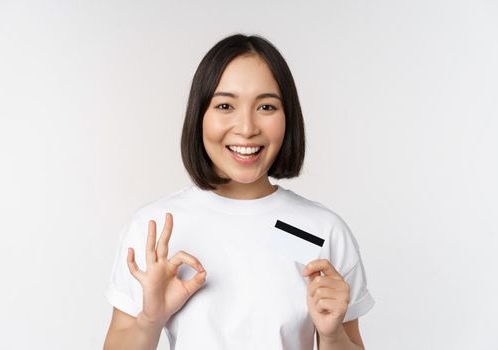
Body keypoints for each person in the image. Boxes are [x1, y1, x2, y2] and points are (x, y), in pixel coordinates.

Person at [103, 33, 375, 350]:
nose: (246, 128)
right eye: (225, 105)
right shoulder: (159, 229)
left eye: (266, 106)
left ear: (288, 118)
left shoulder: (319, 232)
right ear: (199, 116)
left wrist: (330, 335)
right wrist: (151, 320)